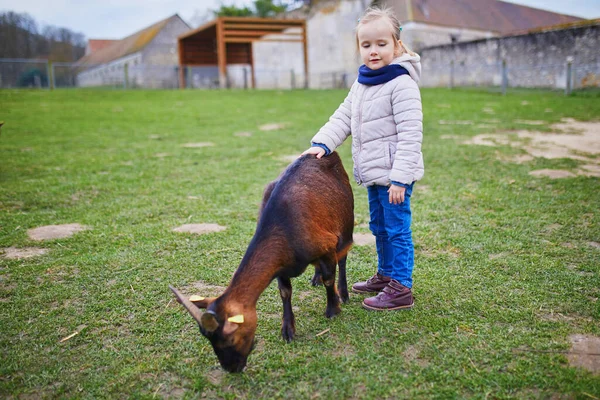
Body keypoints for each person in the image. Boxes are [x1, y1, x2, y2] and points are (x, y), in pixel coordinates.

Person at [302, 6, 423, 311]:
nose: (373, 51)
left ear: (397, 44)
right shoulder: (363, 82)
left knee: (397, 230)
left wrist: (400, 178)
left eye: (381, 44)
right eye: (366, 45)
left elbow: (411, 135)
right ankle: (385, 275)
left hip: (394, 178)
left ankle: (401, 288)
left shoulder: (402, 83)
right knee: (379, 228)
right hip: (373, 174)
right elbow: (343, 117)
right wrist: (322, 144)